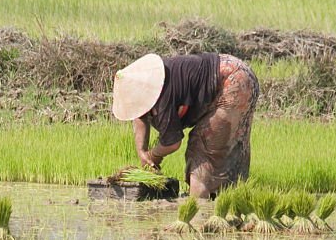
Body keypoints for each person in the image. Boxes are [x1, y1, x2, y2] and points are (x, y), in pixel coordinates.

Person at [111, 52, 259, 199]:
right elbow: (139, 117)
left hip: (231, 83)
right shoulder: (152, 85)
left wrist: (152, 155)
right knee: (229, 146)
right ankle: (231, 197)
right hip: (236, 70)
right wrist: (142, 151)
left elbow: (172, 143)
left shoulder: (162, 98)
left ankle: (199, 205)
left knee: (202, 148)